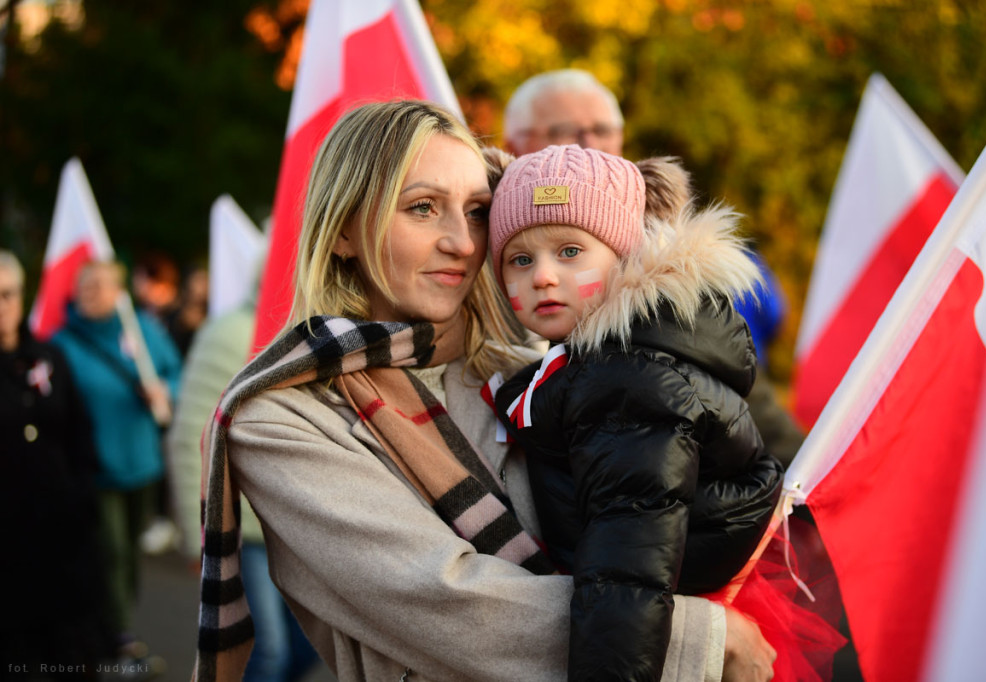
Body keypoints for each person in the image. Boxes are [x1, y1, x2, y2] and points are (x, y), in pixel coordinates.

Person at [193, 99, 777, 682]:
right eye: (423, 208)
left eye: (476, 212)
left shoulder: (526, 373)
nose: (463, 243)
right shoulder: (277, 422)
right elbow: (440, 601)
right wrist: (703, 637)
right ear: (343, 230)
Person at [487, 144, 791, 680]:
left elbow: (627, 571)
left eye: (570, 251)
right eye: (520, 259)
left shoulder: (628, 382)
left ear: (626, 254)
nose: (542, 276)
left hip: (668, 613)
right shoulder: (597, 360)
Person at [503, 68, 807, 466]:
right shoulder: (476, 258)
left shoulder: (668, 282)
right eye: (566, 131)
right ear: (513, 147)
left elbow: (743, 402)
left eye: (603, 129)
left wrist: (803, 479)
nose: (591, 144)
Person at [167, 274, 318, 682]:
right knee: (264, 652)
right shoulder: (232, 332)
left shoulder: (321, 332)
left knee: (314, 644)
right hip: (244, 531)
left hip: (300, 529)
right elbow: (192, 437)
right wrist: (197, 535)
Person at [52, 260, 181, 662]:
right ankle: (118, 633)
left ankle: (116, 621)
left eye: (100, 286)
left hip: (141, 464)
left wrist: (164, 390)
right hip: (95, 468)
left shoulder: (140, 329)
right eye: (85, 287)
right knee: (110, 551)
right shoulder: (63, 344)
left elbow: (175, 371)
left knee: (129, 549)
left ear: (118, 291)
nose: (91, 294)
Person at [0, 250, 114, 678]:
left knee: (74, 657)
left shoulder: (49, 358)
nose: (2, 306)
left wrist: (82, 492)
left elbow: (79, 431)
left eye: (8, 294)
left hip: (63, 537)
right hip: (9, 549)